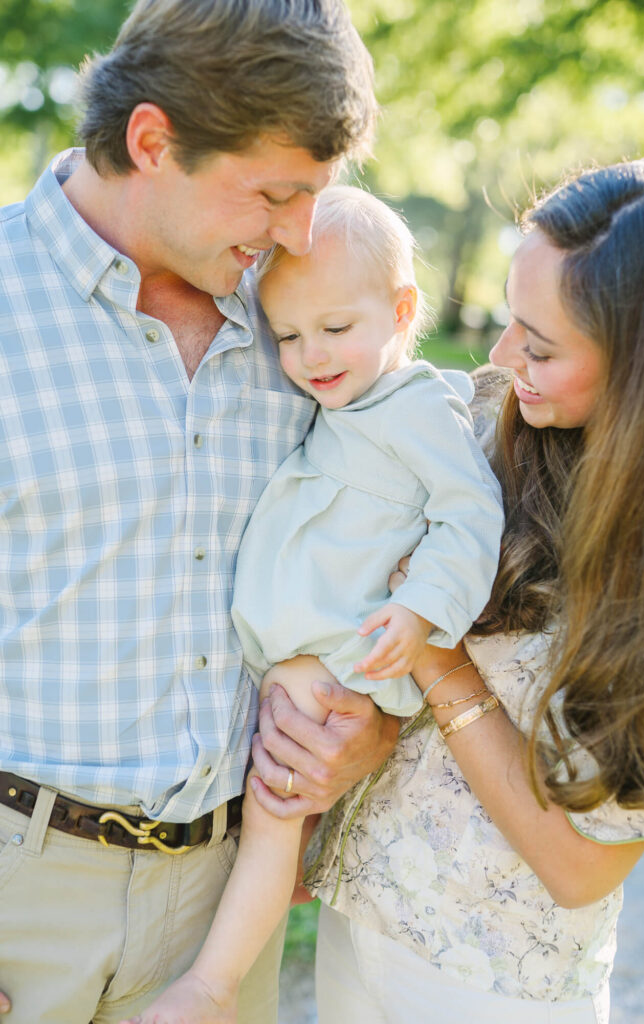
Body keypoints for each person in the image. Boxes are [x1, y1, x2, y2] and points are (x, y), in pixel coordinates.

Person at [0, 3, 403, 1022]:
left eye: (315, 197)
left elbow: (391, 534)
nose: (299, 232)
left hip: (224, 913)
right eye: (274, 194)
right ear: (152, 140)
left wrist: (369, 734)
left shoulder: (305, 320)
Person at [256, 158, 644, 1023]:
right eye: (511, 319)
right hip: (355, 919)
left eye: (540, 345)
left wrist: (440, 664)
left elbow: (580, 867)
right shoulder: (488, 423)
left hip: (493, 982)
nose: (498, 355)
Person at [124, 184, 504, 1023]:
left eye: (335, 329)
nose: (310, 355)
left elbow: (471, 513)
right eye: (288, 335)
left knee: (271, 820)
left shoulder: (415, 407)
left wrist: (421, 611)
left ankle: (213, 984)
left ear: (401, 311)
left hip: (334, 664)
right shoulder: (342, 400)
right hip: (295, 660)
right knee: (271, 826)